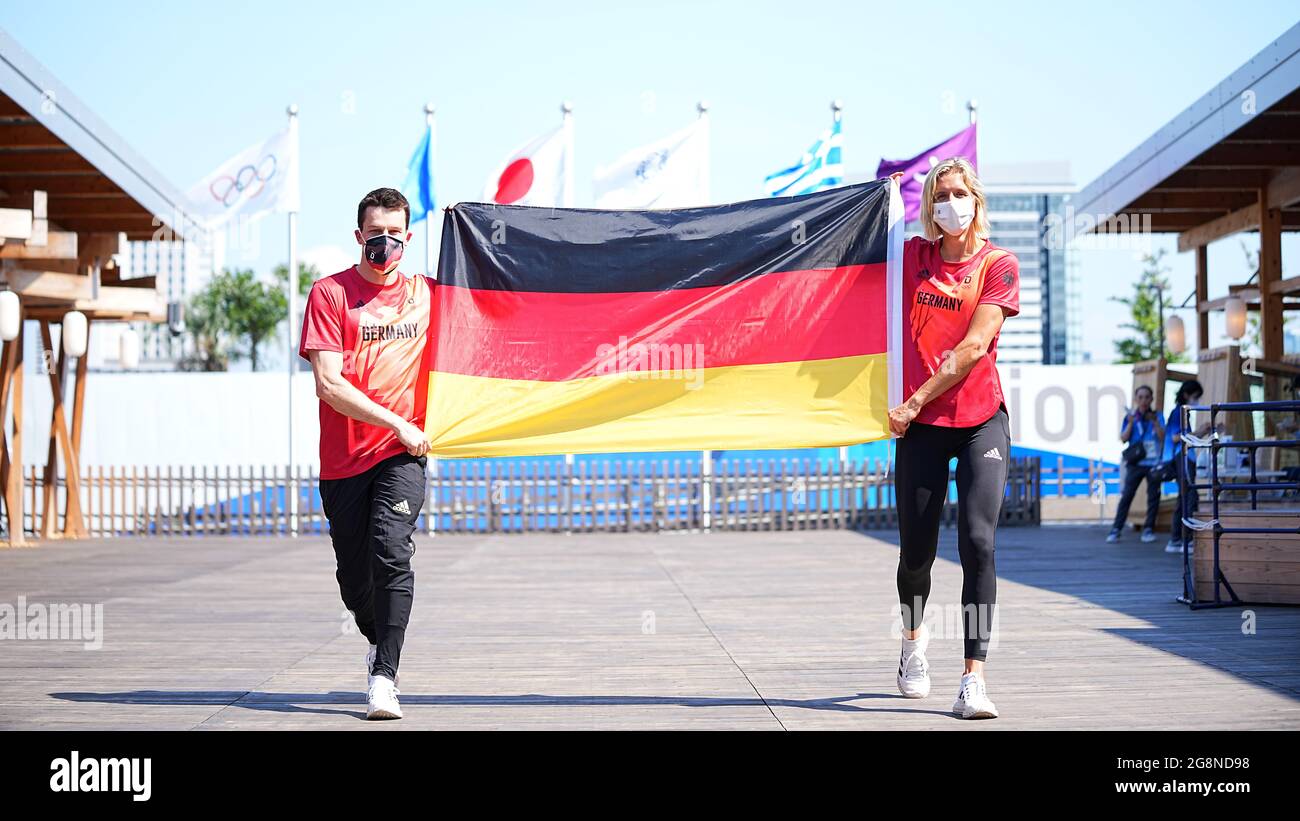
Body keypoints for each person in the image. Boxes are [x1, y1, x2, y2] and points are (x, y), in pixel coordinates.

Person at [885, 159, 1019, 720]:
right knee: (917, 552)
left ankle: (973, 680)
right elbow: (861, 253)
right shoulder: (914, 257)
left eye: (960, 194)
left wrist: (915, 397)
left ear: (976, 200)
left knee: (978, 543)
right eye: (941, 196)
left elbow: (971, 348)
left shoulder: (999, 264)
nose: (951, 204)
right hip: (923, 431)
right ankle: (914, 644)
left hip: (980, 420)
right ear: (930, 209)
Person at [298, 187, 434, 720]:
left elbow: (493, 309)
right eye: (375, 234)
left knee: (391, 550)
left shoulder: (426, 294)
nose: (385, 244)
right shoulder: (330, 295)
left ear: (409, 237)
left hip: (402, 453)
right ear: (359, 236)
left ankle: (385, 677)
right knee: (356, 582)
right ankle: (379, 641)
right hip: (344, 461)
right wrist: (396, 419)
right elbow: (329, 385)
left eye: (394, 235)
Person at [1106, 385, 1165, 545]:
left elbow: (1162, 437)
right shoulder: (1131, 416)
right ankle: (1116, 529)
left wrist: (1155, 423)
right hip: (1136, 463)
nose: (1144, 400)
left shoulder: (1157, 416)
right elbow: (1123, 438)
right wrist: (1131, 423)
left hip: (1153, 463)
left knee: (1153, 497)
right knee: (1127, 496)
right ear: (1136, 399)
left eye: (1147, 397)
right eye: (1140, 397)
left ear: (1152, 399)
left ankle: (1148, 529)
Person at [1163, 380, 1210, 553]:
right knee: (1189, 497)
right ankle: (1185, 539)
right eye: (1196, 397)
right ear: (1186, 395)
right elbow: (1177, 437)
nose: (1197, 400)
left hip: (1184, 459)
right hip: (1182, 459)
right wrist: (1200, 431)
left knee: (1184, 497)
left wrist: (1202, 432)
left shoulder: (1182, 412)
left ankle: (1177, 539)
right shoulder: (1179, 412)